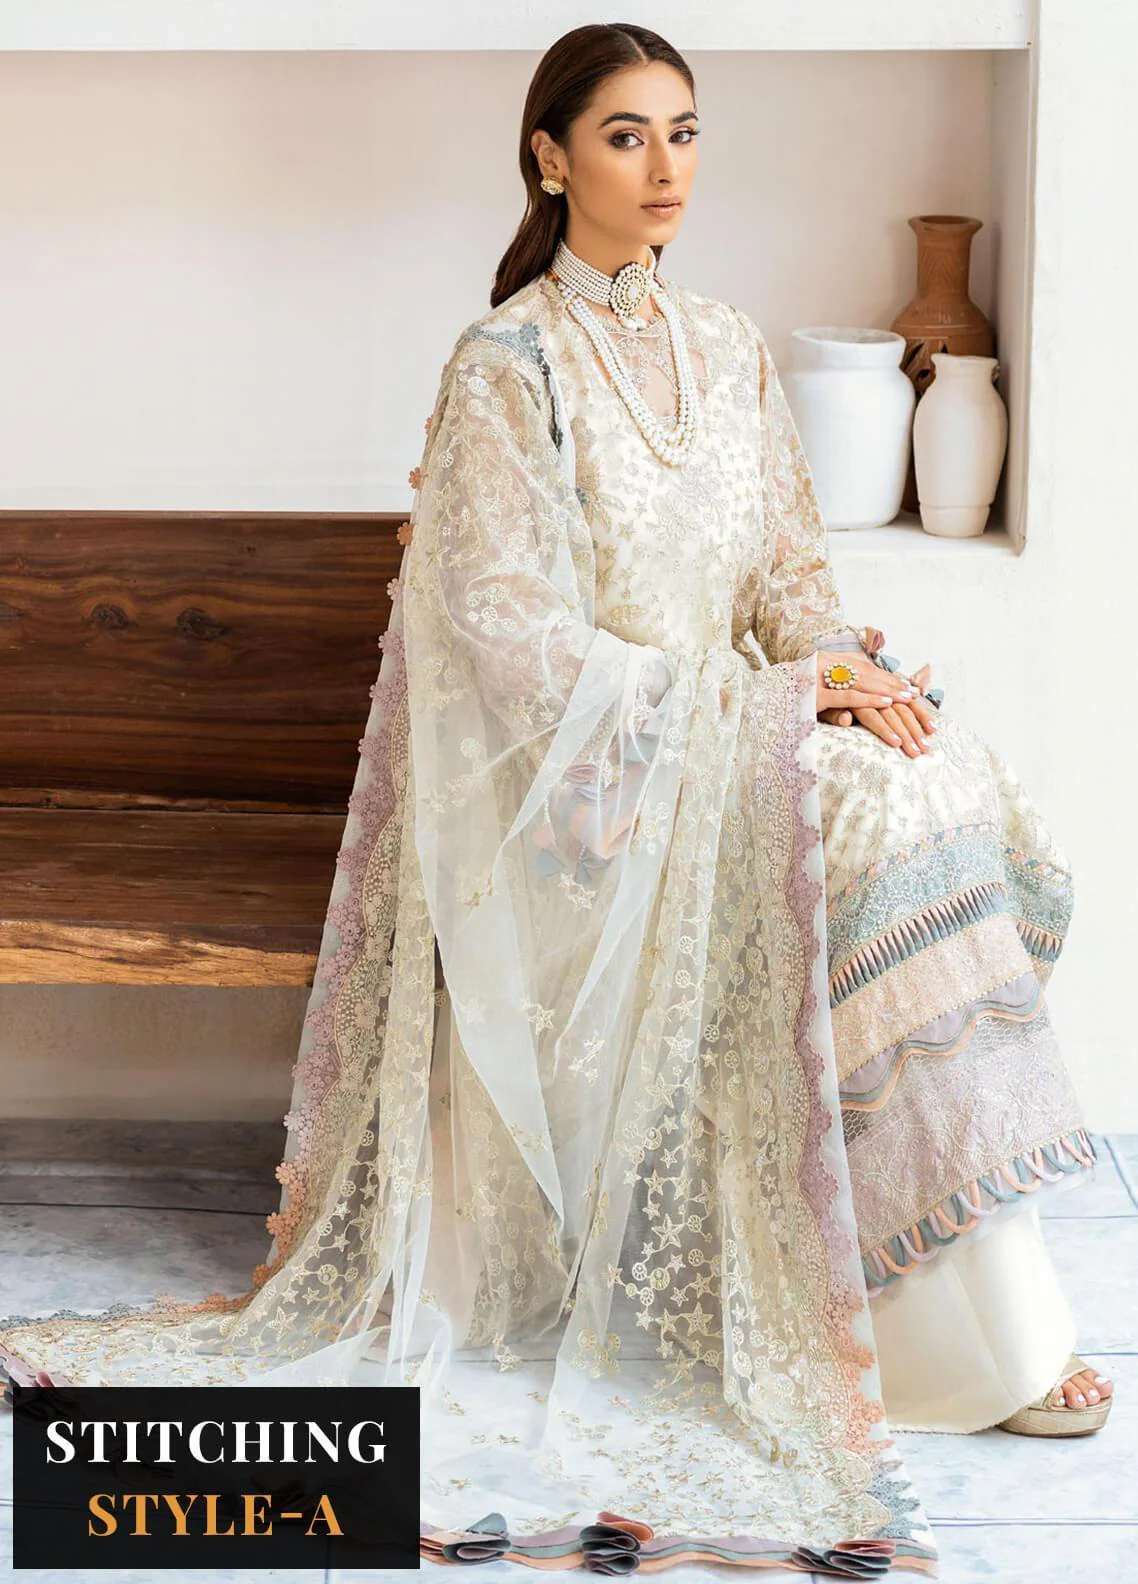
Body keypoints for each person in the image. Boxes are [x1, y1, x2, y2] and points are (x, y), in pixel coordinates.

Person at [0, 20, 1113, 1577]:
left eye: (683, 132)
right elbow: (514, 651)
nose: (665, 168)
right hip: (582, 806)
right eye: (625, 135)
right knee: (865, 815)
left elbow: (787, 583)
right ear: (549, 156)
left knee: (933, 777)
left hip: (724, 754)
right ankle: (963, 1348)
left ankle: (947, 1311)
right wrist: (767, 707)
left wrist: (848, 672)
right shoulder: (505, 369)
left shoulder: (727, 347)